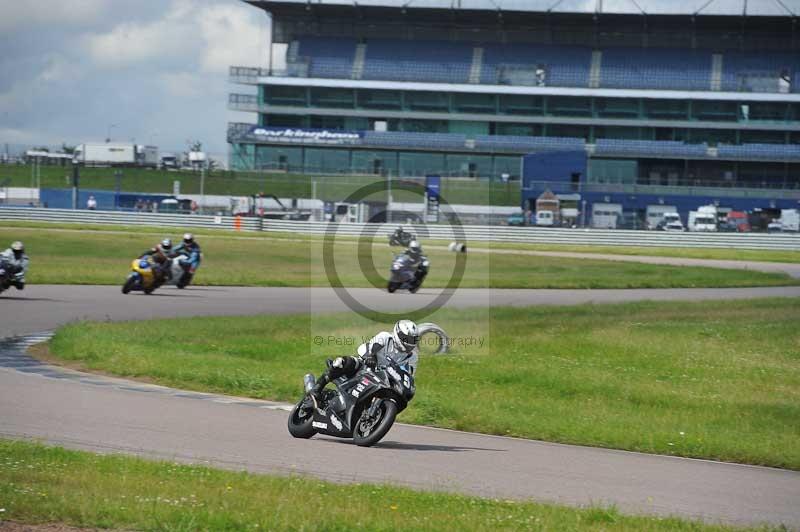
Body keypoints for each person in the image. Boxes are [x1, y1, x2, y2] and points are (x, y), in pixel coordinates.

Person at [309, 320, 420, 402]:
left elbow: (408, 375)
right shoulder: (386, 337)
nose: (410, 343)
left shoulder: (412, 356)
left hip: (385, 380)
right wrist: (371, 356)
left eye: (413, 340)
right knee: (345, 362)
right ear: (398, 334)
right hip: (367, 367)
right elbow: (372, 347)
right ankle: (317, 387)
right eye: (408, 339)